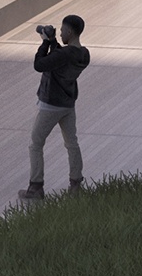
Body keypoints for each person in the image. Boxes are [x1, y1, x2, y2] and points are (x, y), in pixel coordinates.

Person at [18, 14, 89, 200]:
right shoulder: (83, 54)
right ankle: (76, 185)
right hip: (68, 105)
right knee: (72, 143)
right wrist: (53, 42)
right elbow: (60, 58)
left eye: (63, 30)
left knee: (36, 144)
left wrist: (44, 43)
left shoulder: (63, 54)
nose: (61, 33)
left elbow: (39, 65)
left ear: (69, 32)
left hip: (50, 105)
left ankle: (36, 187)